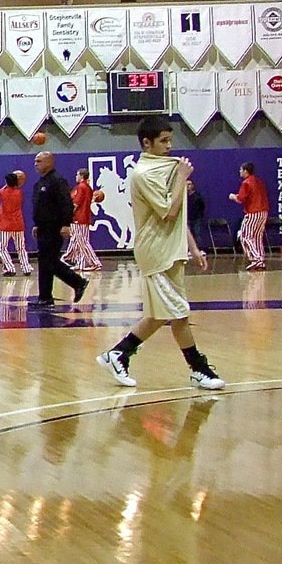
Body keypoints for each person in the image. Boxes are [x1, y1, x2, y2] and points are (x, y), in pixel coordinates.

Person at [97, 116, 224, 391]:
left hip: (172, 251)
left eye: (170, 140)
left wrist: (192, 247)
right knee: (178, 313)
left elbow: (180, 219)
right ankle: (199, 369)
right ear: (147, 143)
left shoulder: (166, 168)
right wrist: (181, 179)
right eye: (163, 141)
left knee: (160, 313)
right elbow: (169, 211)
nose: (169, 145)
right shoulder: (144, 174)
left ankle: (118, 354)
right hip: (156, 253)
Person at [31, 152, 87, 308]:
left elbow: (66, 203)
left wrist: (66, 224)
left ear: (49, 162)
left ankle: (78, 282)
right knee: (45, 262)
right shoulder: (42, 182)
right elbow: (40, 206)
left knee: (49, 261)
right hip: (43, 227)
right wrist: (36, 224)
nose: (36, 163)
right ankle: (45, 297)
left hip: (54, 227)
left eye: (39, 161)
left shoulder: (57, 181)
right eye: (35, 161)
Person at [229, 160, 269, 271]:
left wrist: (233, 196)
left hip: (253, 212)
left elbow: (240, 199)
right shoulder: (259, 181)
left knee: (245, 235)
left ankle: (256, 259)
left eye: (241, 170)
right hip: (263, 212)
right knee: (257, 237)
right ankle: (260, 258)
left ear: (245, 171)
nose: (239, 171)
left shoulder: (246, 182)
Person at [63, 168, 102, 272]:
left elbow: (76, 203)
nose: (76, 176)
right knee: (77, 241)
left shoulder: (81, 187)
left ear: (81, 176)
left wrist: (67, 214)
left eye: (77, 174)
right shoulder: (88, 187)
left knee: (82, 242)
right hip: (84, 217)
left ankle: (95, 263)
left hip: (79, 218)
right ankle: (80, 263)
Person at [0, 171, 31, 277]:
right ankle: (26, 267)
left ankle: (10, 268)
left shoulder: (3, 193)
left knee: (2, 248)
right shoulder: (19, 193)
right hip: (18, 223)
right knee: (21, 248)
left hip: (5, 225)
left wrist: (8, 183)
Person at [185, 178, 206, 244]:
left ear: (193, 185)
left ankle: (200, 249)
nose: (188, 186)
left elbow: (202, 206)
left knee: (197, 234)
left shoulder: (197, 197)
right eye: (186, 185)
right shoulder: (185, 197)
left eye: (189, 184)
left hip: (197, 219)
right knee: (188, 235)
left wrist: (199, 215)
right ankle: (189, 250)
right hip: (188, 218)